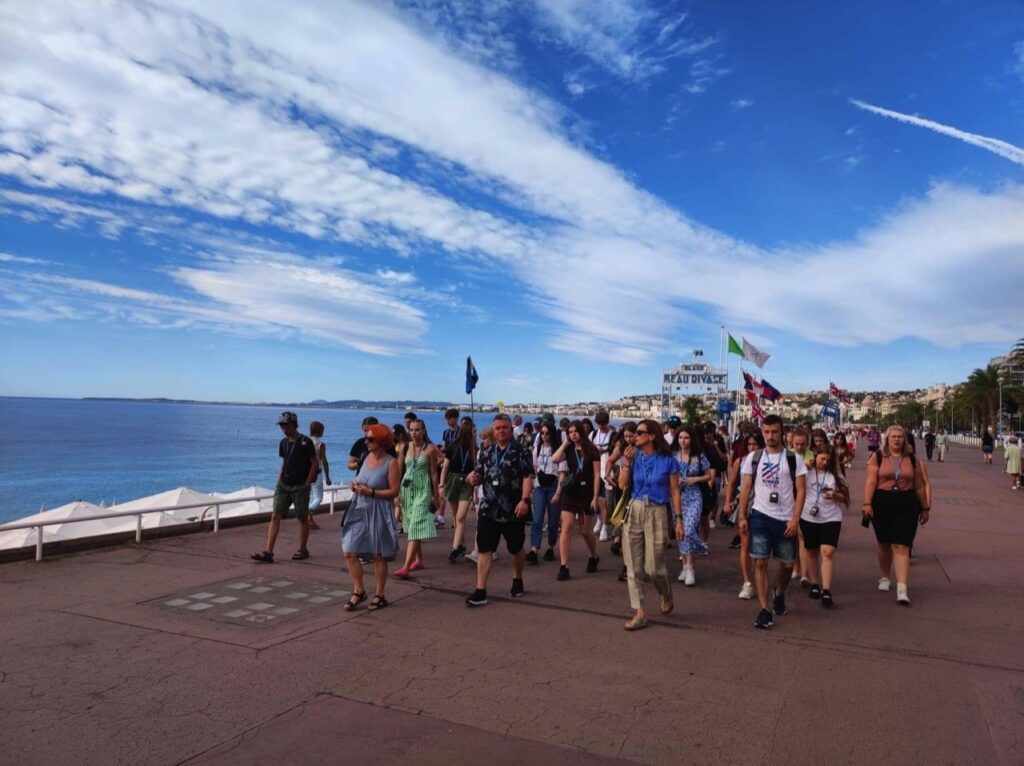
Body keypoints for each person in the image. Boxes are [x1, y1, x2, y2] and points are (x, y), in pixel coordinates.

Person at [737, 415, 807, 630]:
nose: (770, 436)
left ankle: (779, 593)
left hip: (785, 519)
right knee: (760, 562)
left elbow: (802, 490)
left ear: (782, 432)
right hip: (760, 515)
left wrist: (795, 519)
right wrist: (742, 516)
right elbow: (745, 488)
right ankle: (764, 609)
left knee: (787, 565)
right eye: (766, 432)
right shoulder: (754, 457)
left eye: (775, 432)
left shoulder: (793, 459)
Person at [617, 420, 682, 631]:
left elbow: (675, 491)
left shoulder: (668, 461)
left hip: (656, 511)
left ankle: (665, 592)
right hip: (635, 508)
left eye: (639, 432)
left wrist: (679, 520)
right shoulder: (633, 456)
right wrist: (627, 463)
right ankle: (639, 612)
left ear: (652, 436)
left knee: (654, 568)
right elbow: (622, 484)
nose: (634, 436)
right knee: (633, 567)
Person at [464, 414, 534, 607]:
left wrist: (525, 500)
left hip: (513, 508)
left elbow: (528, 477)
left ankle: (517, 578)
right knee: (485, 548)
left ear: (510, 429)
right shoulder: (487, 451)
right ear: (493, 431)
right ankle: (480, 590)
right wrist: (472, 478)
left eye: (504, 427)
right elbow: (479, 474)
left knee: (515, 547)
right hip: (489, 508)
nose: (501, 431)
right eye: (498, 428)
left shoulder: (521, 451)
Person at [862, 426, 931, 606]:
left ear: (904, 439)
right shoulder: (877, 457)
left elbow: (919, 486)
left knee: (902, 545)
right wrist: (867, 503)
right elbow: (871, 482)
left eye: (900, 437)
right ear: (887, 439)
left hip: (906, 503)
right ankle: (885, 576)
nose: (897, 440)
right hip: (882, 501)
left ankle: (902, 588)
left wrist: (925, 507)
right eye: (893, 436)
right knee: (884, 543)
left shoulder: (912, 459)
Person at [342, 423, 401, 611]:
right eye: (366, 438)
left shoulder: (391, 463)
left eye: (370, 439)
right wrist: (354, 485)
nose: (366, 442)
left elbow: (394, 491)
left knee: (378, 555)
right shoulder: (366, 457)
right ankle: (359, 590)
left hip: (379, 511)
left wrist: (372, 492)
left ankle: (380, 594)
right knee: (349, 550)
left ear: (381, 441)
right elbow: (359, 479)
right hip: (359, 509)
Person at [251, 412, 319, 564]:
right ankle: (269, 552)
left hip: (300, 486)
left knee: (302, 518)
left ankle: (303, 549)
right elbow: (284, 461)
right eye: (282, 426)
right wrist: (279, 478)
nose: (284, 429)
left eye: (287, 426)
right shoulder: (283, 443)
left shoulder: (305, 442)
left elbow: (314, 463)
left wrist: (307, 483)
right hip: (284, 484)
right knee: (275, 515)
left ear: (294, 425)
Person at [550, 420, 601, 580]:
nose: (573, 434)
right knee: (566, 527)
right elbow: (554, 459)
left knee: (586, 531)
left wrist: (595, 497)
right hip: (571, 492)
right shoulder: (569, 449)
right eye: (570, 432)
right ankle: (564, 566)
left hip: (586, 493)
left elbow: (597, 475)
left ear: (581, 432)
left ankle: (593, 555)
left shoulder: (592, 450)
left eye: (575, 431)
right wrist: (565, 443)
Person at [394, 420, 444, 579]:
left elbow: (434, 474)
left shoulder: (430, 449)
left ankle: (406, 567)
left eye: (417, 430)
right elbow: (398, 470)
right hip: (406, 488)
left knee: (416, 524)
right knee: (410, 525)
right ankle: (419, 560)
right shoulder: (405, 447)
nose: (413, 433)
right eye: (411, 430)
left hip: (423, 489)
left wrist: (436, 496)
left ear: (423, 431)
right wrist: (396, 493)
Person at [800, 445, 848, 607]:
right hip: (809, 516)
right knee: (811, 551)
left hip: (831, 517)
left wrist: (834, 494)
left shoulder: (836, 475)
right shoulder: (806, 472)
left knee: (827, 551)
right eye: (822, 459)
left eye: (828, 460)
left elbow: (845, 498)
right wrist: (804, 467)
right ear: (815, 456)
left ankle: (826, 590)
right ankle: (815, 583)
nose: (825, 462)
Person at [725, 431, 765, 599]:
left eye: (755, 444)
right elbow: (732, 483)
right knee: (745, 544)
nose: (752, 447)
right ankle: (747, 582)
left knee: (759, 546)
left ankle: (759, 577)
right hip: (744, 503)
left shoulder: (766, 461)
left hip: (762, 504)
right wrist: (727, 502)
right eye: (749, 444)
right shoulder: (740, 461)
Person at [675, 425, 714, 586]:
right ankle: (685, 565)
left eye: (686, 438)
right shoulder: (673, 455)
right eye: (680, 438)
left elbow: (709, 475)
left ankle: (690, 566)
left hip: (694, 495)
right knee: (680, 531)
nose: (683, 441)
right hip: (677, 496)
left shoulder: (699, 456)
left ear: (691, 439)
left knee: (689, 529)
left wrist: (695, 479)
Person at [526, 423, 565, 565]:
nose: (544, 436)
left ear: (552, 434)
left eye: (547, 433)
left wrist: (558, 493)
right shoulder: (537, 449)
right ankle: (534, 549)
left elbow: (562, 473)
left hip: (554, 486)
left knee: (553, 520)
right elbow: (535, 467)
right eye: (542, 433)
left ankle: (550, 547)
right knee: (537, 519)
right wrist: (537, 481)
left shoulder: (559, 451)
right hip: (540, 486)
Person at [605, 422, 637, 580]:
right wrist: (607, 475)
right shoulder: (622, 446)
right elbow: (610, 460)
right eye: (625, 436)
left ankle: (636, 563)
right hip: (624, 488)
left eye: (631, 436)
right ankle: (626, 565)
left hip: (639, 488)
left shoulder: (642, 447)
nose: (628, 439)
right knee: (625, 527)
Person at [442, 420, 477, 562]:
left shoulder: (475, 449)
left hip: (467, 483)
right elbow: (445, 466)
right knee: (456, 515)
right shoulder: (453, 447)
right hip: (453, 480)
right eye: (473, 432)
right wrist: (441, 484)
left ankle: (455, 548)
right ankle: (461, 545)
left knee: (460, 517)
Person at [790, 428, 813, 587]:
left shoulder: (812, 456)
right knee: (792, 537)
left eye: (802, 444)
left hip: (807, 498)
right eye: (796, 444)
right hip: (789, 497)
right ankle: (796, 566)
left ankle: (805, 573)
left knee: (802, 536)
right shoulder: (787, 455)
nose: (799, 447)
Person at [590, 410, 616, 542]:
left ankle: (605, 527)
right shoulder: (594, 434)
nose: (601, 426)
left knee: (606, 501)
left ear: (607, 422)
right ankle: (599, 520)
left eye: (603, 424)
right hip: (595, 471)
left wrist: (603, 450)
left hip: (607, 471)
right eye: (599, 424)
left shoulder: (613, 435)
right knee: (596, 499)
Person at [307, 420, 331, 530]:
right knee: (318, 498)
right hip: (316, 473)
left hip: (305, 473)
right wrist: (327, 477)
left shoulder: (305, 441)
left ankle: (310, 520)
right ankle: (307, 513)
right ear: (319, 430)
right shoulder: (320, 444)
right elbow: (324, 461)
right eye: (322, 430)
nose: (323, 432)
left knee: (310, 497)